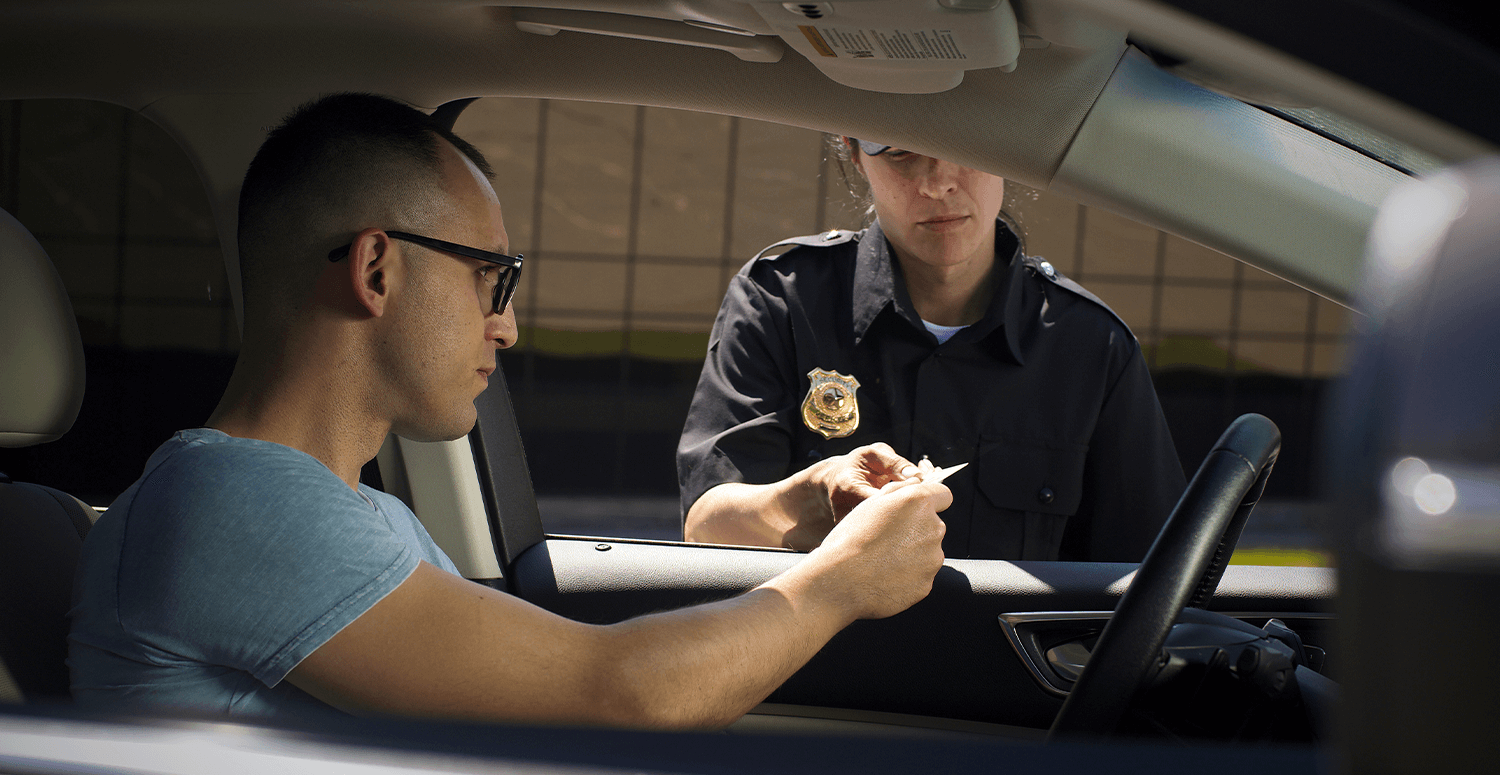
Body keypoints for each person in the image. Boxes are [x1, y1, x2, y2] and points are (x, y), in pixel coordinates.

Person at [68, 95, 951, 727]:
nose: (509, 325)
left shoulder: (358, 512)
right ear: (376, 270)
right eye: (490, 277)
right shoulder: (229, 502)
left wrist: (795, 504)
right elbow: (618, 691)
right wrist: (842, 582)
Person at [677, 138, 1184, 560]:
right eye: (899, 150)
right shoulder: (782, 301)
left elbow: (1151, 574)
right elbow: (706, 524)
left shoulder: (1090, 344)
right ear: (854, 153)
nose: (937, 182)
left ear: (1012, 150)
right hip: (816, 671)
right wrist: (814, 496)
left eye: (966, 144)